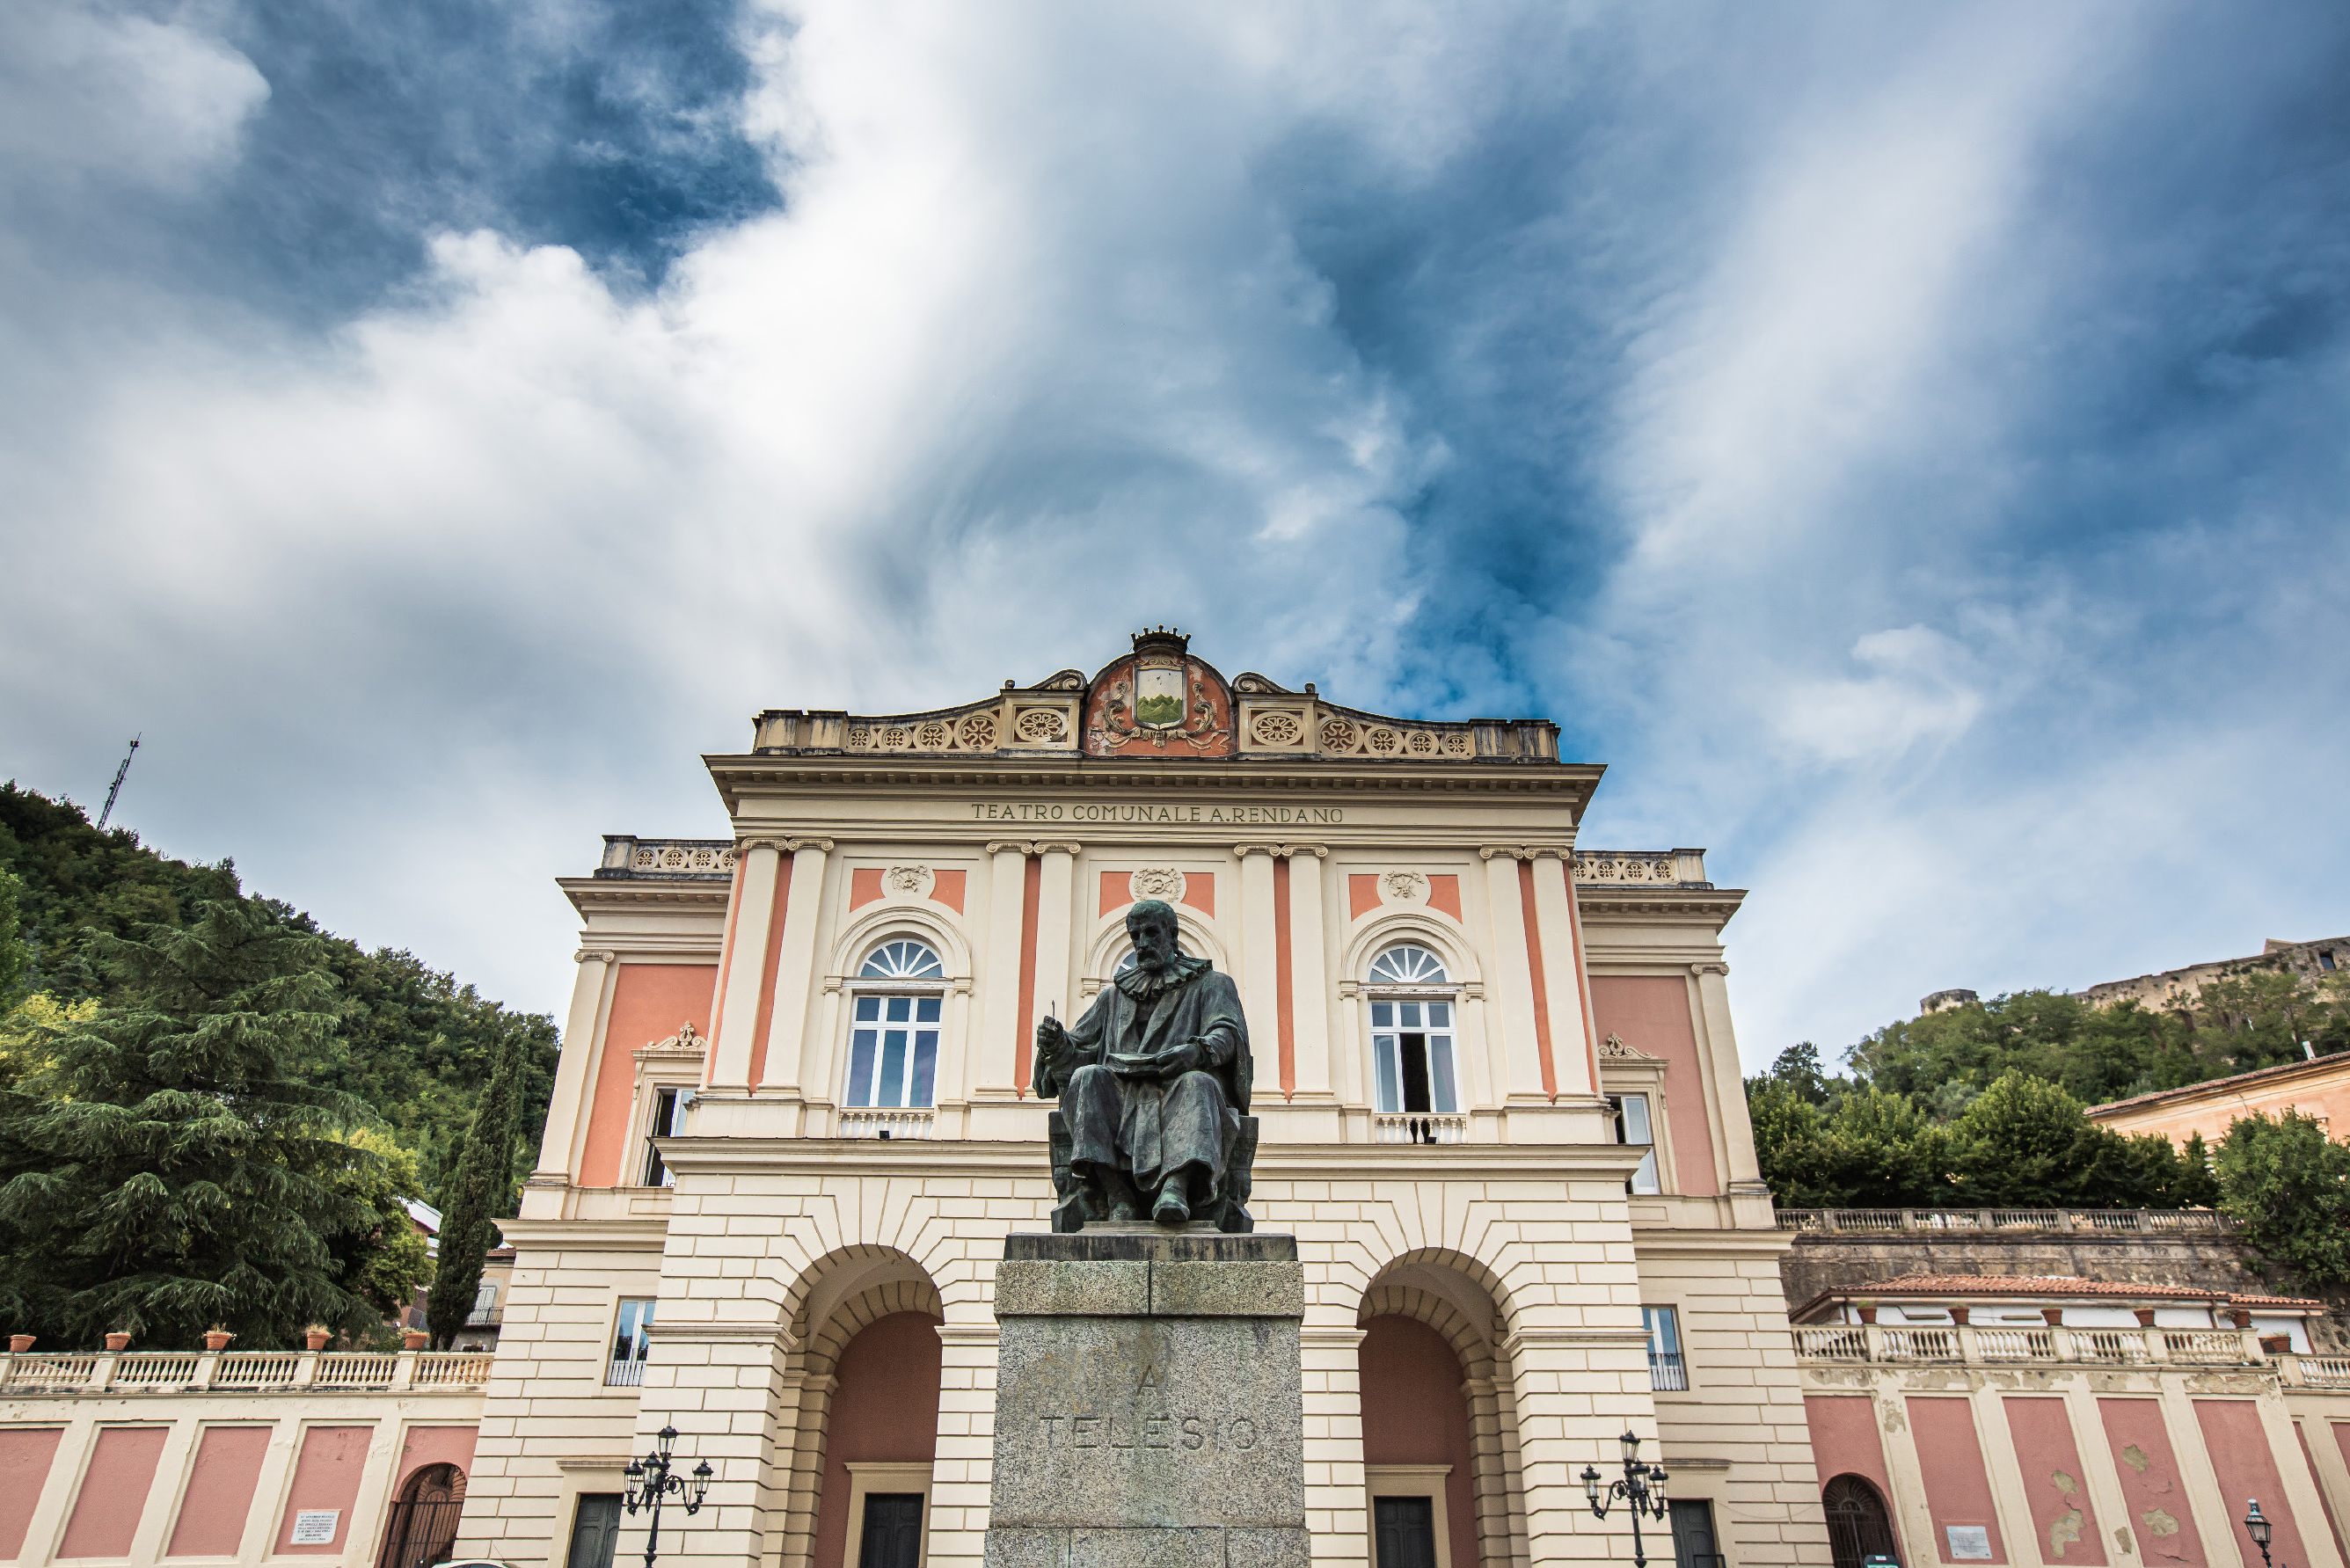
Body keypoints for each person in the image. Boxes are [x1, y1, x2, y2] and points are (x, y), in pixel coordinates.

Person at [1034, 899, 1252, 1225]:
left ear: (1173, 934)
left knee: (1198, 1083)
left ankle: (1175, 1189)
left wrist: (1197, 1053)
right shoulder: (1113, 996)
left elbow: (1227, 1032)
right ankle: (1117, 1195)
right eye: (1136, 936)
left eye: (1151, 933)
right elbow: (1081, 1049)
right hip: (1123, 1095)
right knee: (1087, 1078)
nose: (1143, 943)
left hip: (1178, 1088)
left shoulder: (1211, 983)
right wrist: (1057, 1045)